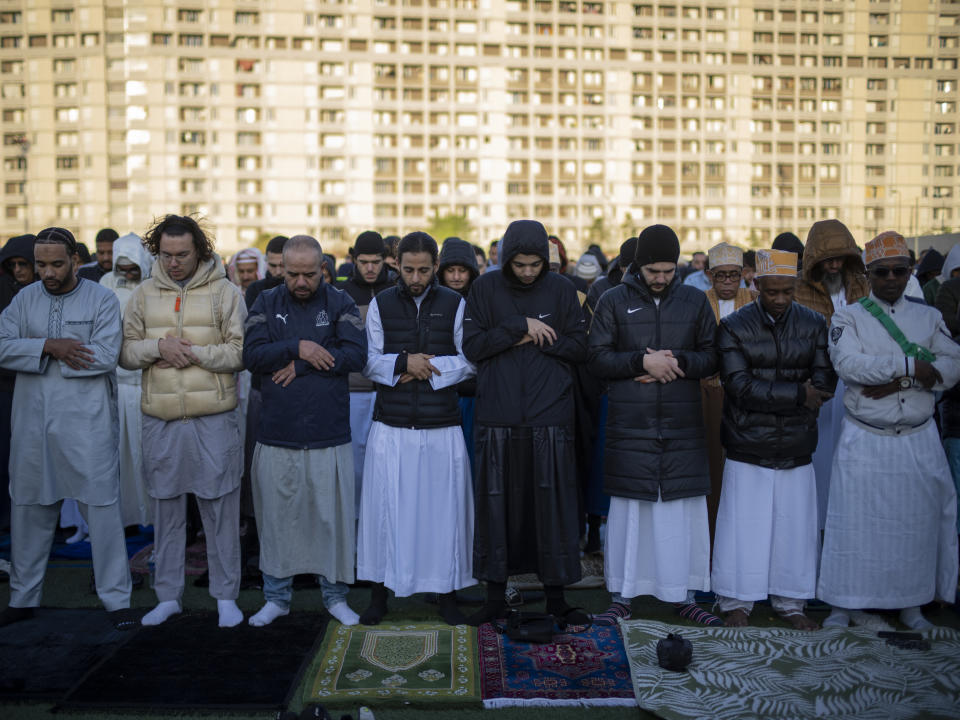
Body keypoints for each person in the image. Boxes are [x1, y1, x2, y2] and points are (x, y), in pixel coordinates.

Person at [819, 230, 960, 630]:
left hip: (918, 436)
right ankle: (843, 606)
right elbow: (850, 367)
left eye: (900, 270)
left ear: (910, 270)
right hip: (866, 436)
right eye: (882, 272)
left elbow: (952, 367)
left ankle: (912, 606)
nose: (892, 278)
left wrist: (898, 381)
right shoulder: (849, 317)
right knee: (854, 525)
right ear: (869, 274)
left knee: (915, 524)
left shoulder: (929, 317)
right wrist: (912, 367)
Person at [0, 227, 134, 629]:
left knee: (103, 511)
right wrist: (49, 346)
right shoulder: (24, 299)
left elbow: (106, 355)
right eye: (41, 265)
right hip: (31, 424)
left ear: (76, 259)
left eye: (56, 264)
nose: (47, 273)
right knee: (28, 507)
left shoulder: (102, 299)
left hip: (86, 423)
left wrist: (35, 347)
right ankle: (23, 598)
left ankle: (118, 601)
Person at [588, 224, 721, 627]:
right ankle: (622, 596)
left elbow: (713, 356)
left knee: (682, 515)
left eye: (668, 271)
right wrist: (641, 363)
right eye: (653, 271)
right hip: (632, 426)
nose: (661, 278)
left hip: (682, 427)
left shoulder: (694, 301)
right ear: (638, 266)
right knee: (631, 515)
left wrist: (673, 362)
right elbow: (596, 359)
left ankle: (684, 596)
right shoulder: (612, 300)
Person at [120, 214, 247, 628]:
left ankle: (226, 597)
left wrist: (192, 353)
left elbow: (239, 353)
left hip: (214, 418)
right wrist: (159, 346)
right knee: (167, 510)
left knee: (220, 510)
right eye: (166, 255)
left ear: (201, 251)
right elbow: (123, 352)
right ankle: (168, 596)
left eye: (182, 254)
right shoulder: (142, 294)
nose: (174, 262)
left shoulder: (226, 292)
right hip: (161, 418)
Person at [464, 220, 588, 626]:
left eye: (536, 264)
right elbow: (474, 347)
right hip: (497, 417)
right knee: (496, 510)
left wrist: (537, 336)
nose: (529, 271)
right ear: (505, 259)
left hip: (550, 416)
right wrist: (519, 327)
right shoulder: (483, 289)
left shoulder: (563, 290)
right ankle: (495, 598)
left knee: (552, 511)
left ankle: (556, 600)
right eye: (520, 264)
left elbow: (579, 348)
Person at [243, 235, 367, 627]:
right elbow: (252, 356)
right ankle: (276, 598)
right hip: (277, 431)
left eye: (308, 275)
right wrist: (297, 345)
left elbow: (357, 355)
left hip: (328, 431)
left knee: (332, 520)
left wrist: (304, 361)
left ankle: (335, 597)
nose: (300, 282)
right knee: (278, 520)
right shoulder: (265, 301)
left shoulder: (341, 301)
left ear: (323, 270)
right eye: (291, 274)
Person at [712, 249, 836, 630]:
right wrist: (798, 395)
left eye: (787, 291)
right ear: (757, 285)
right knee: (742, 526)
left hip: (796, 443)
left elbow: (824, 382)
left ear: (796, 287)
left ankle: (791, 602)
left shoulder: (815, 324)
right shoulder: (733, 326)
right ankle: (736, 601)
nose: (780, 300)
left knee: (794, 528)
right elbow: (739, 387)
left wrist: (796, 394)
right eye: (772, 292)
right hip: (748, 443)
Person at [357, 232, 476, 626]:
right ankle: (379, 594)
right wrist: (402, 363)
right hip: (391, 426)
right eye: (408, 269)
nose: (416, 277)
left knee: (444, 515)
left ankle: (447, 596)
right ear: (397, 265)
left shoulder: (456, 303)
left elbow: (470, 361)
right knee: (384, 512)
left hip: (442, 425)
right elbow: (369, 361)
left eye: (424, 270)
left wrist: (425, 368)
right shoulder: (380, 303)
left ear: (436, 267)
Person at [794, 219, 870, 530]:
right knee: (820, 462)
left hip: (858, 388)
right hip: (819, 390)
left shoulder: (864, 286)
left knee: (855, 462)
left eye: (840, 259)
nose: (835, 266)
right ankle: (819, 527)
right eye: (828, 260)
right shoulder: (798, 289)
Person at [336, 231, 397, 516]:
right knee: (356, 463)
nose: (370, 268)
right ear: (353, 260)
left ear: (386, 260)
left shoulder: (397, 290)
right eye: (364, 262)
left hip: (391, 387)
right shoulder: (342, 295)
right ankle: (357, 525)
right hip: (355, 390)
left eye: (376, 261)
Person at [700, 243, 757, 540]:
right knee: (712, 469)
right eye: (720, 276)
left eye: (733, 276)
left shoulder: (756, 301)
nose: (726, 283)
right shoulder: (698, 302)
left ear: (743, 274)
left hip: (744, 396)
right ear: (709, 274)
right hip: (707, 395)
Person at [100, 233, 154, 530]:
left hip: (145, 384)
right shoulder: (106, 285)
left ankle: (152, 519)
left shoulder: (153, 287)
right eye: (123, 268)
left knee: (147, 457)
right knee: (117, 457)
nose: (128, 274)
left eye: (133, 267)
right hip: (116, 386)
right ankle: (124, 519)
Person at [0, 233, 36, 532]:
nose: (18, 271)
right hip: (7, 390)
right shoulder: (6, 293)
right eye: (12, 264)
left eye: (24, 263)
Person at [438, 237, 481, 473]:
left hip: (474, 394)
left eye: (462, 270)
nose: (456, 276)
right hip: (445, 391)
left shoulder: (481, 300)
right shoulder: (435, 302)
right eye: (450, 270)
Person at [245, 236, 288, 310]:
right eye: (273, 265)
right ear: (266, 262)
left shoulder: (302, 290)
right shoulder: (254, 289)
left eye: (283, 265)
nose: (278, 272)